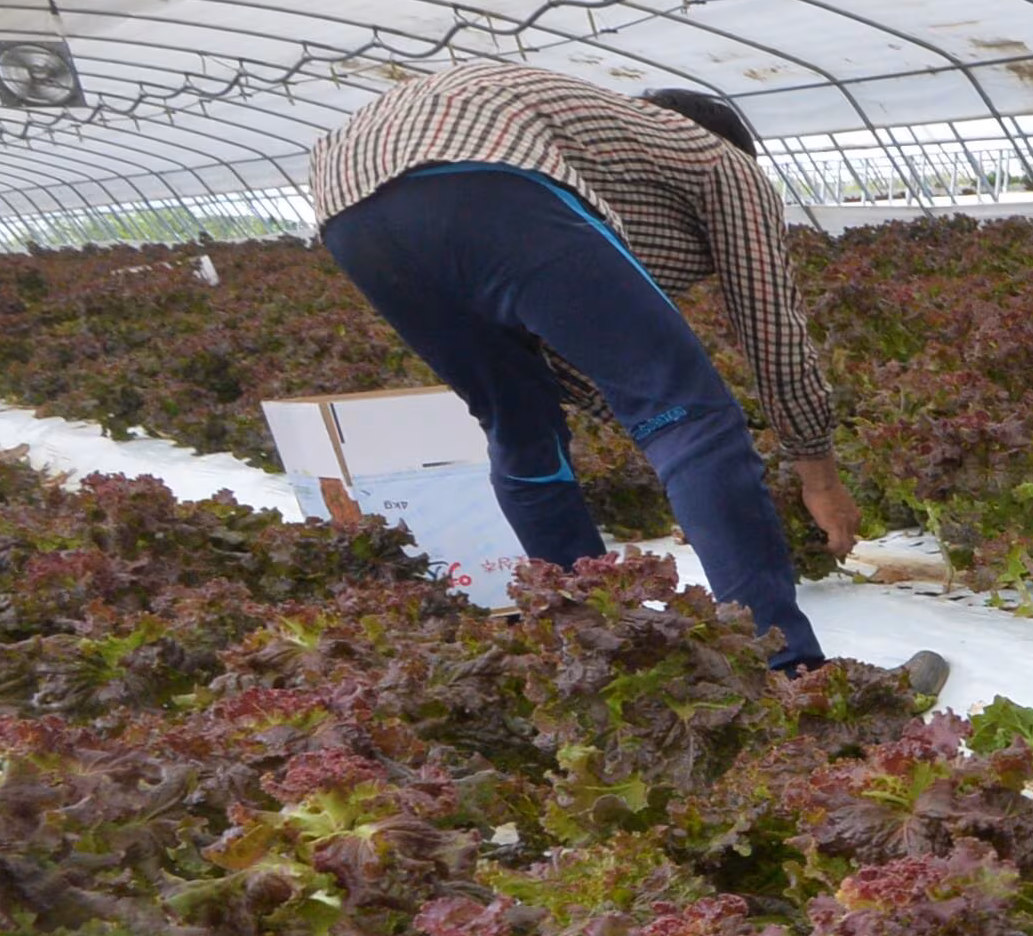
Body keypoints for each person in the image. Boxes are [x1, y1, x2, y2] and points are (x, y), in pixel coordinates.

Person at [304, 63, 931, 689]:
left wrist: (657, 435)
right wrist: (816, 473)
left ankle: (603, 664)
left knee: (520, 428)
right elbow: (771, 327)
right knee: (694, 417)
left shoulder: (598, 144)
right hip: (481, 168)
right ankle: (790, 673)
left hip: (348, 205)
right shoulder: (724, 164)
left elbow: (559, 350)